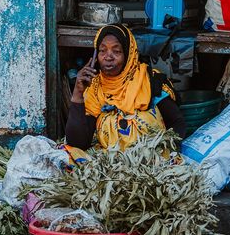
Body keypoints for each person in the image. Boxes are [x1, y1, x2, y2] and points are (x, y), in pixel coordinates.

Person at [65, 24, 186, 152]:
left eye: (116, 51)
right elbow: (77, 143)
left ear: (129, 54)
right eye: (102, 50)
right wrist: (78, 93)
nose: (108, 56)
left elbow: (176, 124)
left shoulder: (149, 82)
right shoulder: (94, 88)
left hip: (149, 160)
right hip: (110, 163)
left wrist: (165, 154)